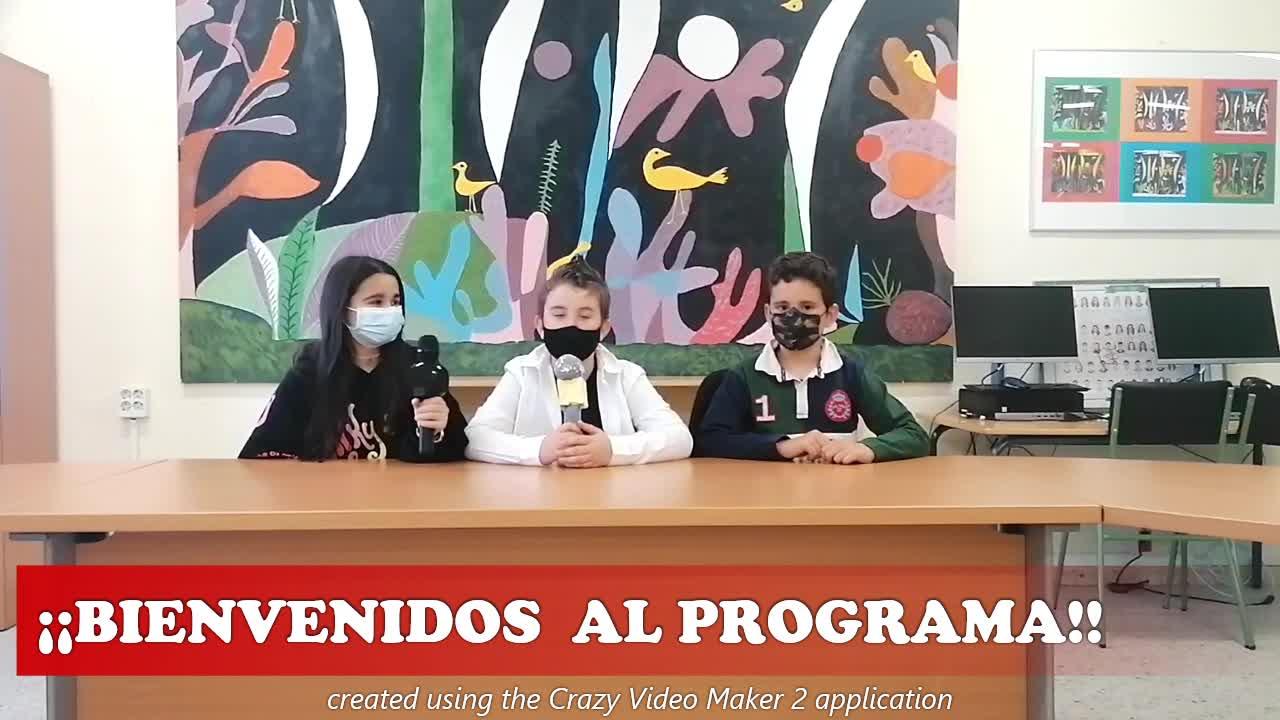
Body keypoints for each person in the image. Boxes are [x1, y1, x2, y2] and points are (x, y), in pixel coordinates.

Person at [695, 252, 928, 464]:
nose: (793, 317)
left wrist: (867, 449)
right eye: (782, 307)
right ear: (768, 313)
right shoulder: (744, 376)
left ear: (830, 315)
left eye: (807, 307)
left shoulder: (851, 374)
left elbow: (914, 435)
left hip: (837, 491)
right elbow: (710, 441)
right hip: (765, 492)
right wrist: (782, 447)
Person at [465, 256, 691, 467]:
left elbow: (679, 438)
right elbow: (476, 438)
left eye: (584, 316)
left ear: (603, 328)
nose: (571, 325)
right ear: (540, 325)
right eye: (559, 315)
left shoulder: (627, 376)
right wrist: (539, 449)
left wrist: (613, 450)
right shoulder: (521, 373)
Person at [240, 256, 467, 461]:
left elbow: (457, 450)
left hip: (399, 492)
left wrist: (436, 430)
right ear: (342, 309)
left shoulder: (416, 369)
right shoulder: (310, 372)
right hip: (325, 492)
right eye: (376, 302)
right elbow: (261, 454)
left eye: (396, 302)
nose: (390, 310)